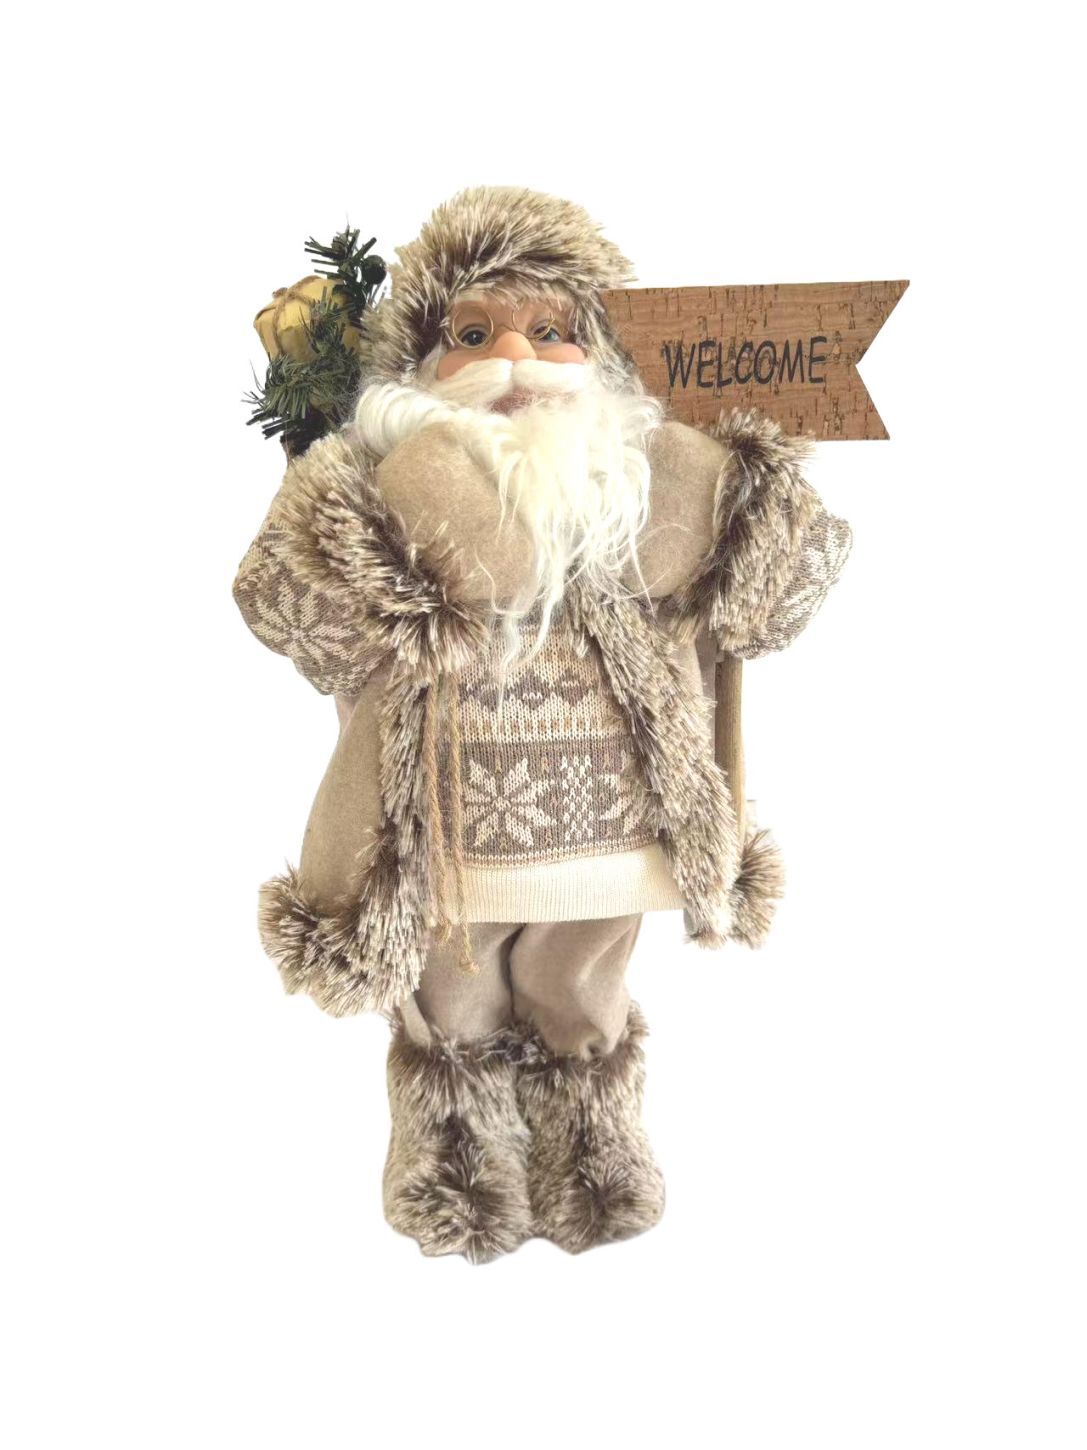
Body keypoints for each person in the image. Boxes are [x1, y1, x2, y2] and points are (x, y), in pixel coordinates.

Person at [233, 185, 852, 1262]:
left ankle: (593, 1143)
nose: (515, 356)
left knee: (582, 980)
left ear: (599, 352)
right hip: (447, 838)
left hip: (616, 828)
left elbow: (778, 597)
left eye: (550, 330)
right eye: (474, 334)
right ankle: (454, 1151)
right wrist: (353, 515)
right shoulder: (386, 486)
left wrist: (755, 490)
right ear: (421, 364)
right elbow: (287, 616)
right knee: (453, 992)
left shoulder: (647, 483)